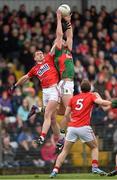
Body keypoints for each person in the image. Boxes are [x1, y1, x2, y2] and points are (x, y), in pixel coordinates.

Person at [50, 79, 117, 178]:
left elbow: (66, 114)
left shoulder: (73, 98)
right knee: (94, 147)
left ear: (80, 89)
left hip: (72, 127)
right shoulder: (91, 95)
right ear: (90, 88)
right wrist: (112, 103)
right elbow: (101, 103)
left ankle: (55, 170)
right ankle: (94, 167)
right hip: (84, 127)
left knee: (65, 151)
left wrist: (71, 120)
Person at [36, 10, 75, 145]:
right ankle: (62, 138)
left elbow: (69, 35)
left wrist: (68, 22)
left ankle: (40, 109)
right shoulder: (58, 51)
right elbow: (60, 35)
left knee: (63, 112)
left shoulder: (68, 49)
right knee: (70, 112)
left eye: (64, 40)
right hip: (64, 83)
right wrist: (58, 19)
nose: (64, 40)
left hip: (69, 84)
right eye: (61, 40)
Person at [10, 49, 60, 143]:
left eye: (41, 53)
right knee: (52, 119)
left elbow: (54, 46)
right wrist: (15, 85)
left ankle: (42, 137)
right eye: (38, 54)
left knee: (48, 114)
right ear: (34, 58)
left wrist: (60, 38)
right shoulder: (34, 69)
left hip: (54, 89)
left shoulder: (48, 58)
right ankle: (60, 139)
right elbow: (25, 77)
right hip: (45, 91)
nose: (41, 54)